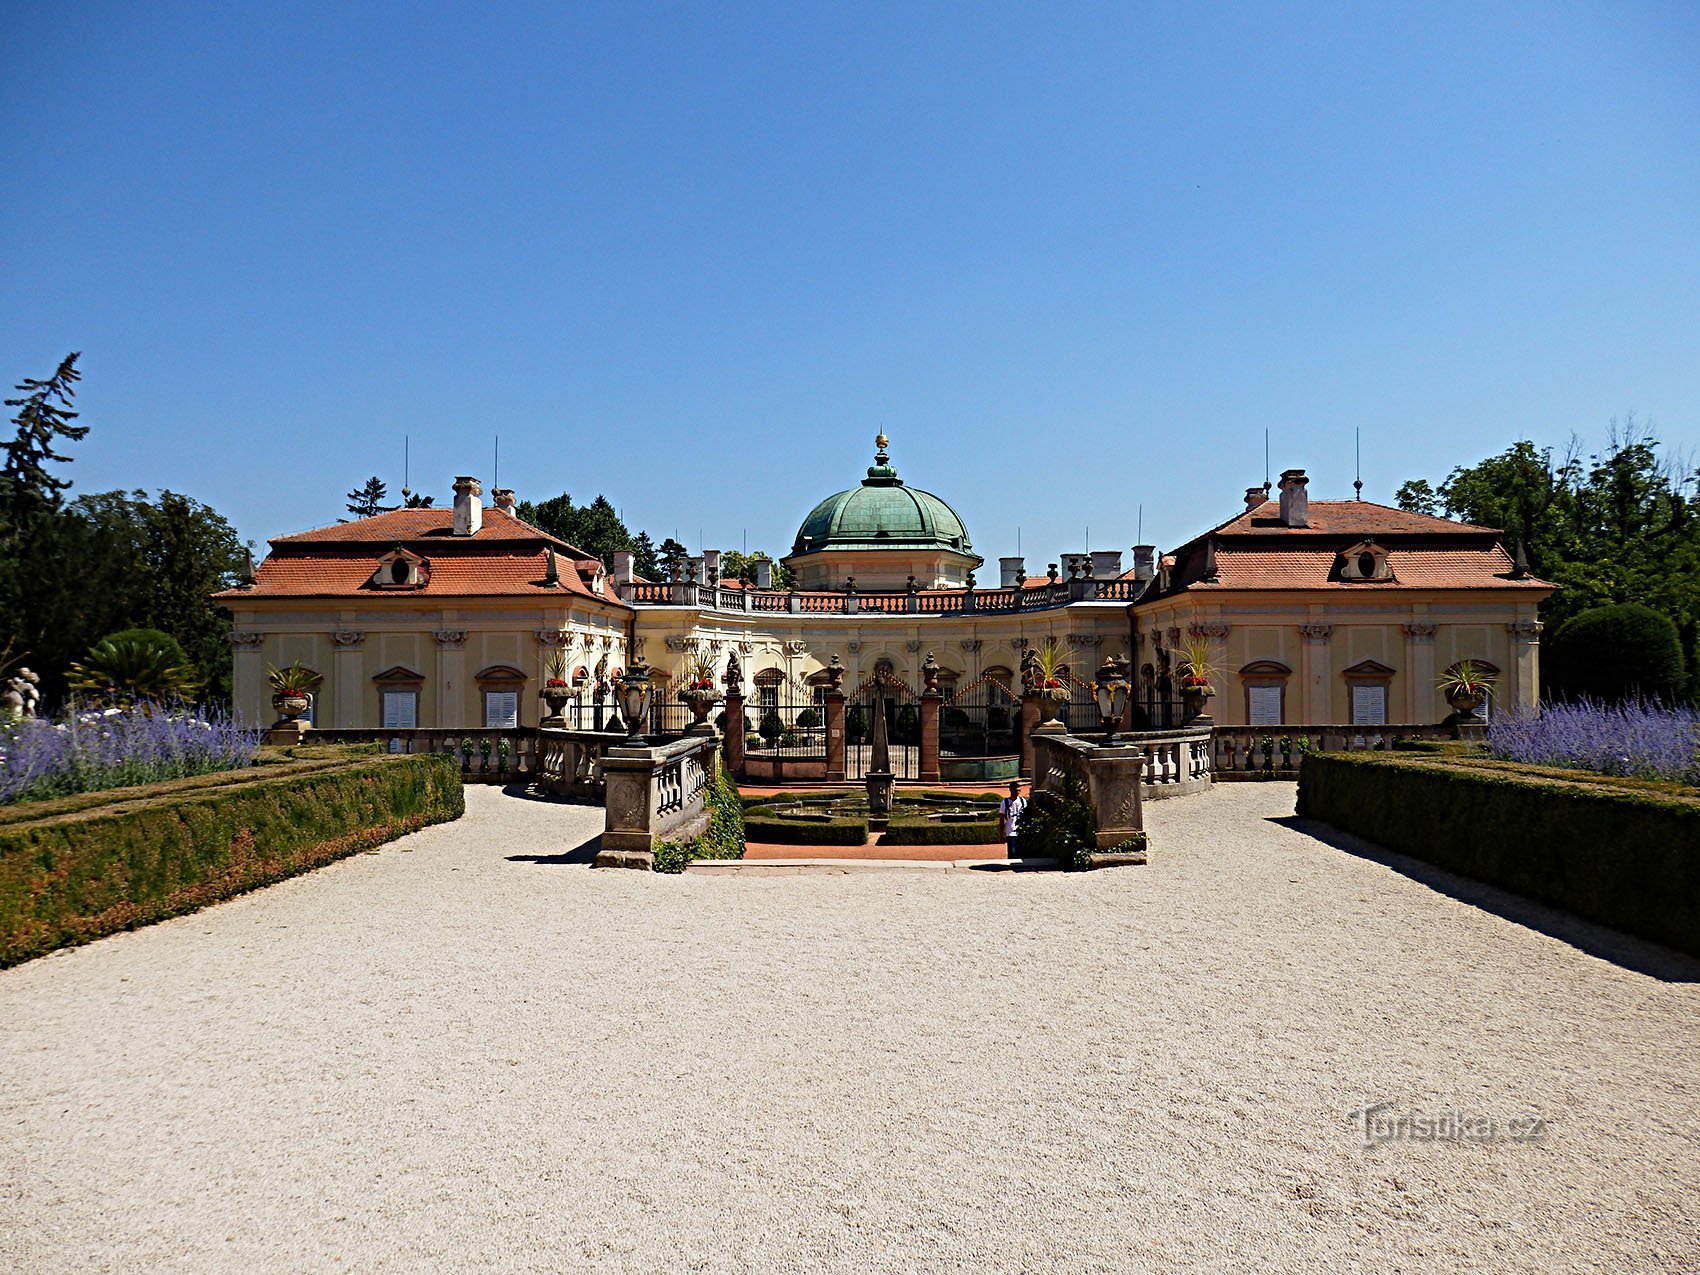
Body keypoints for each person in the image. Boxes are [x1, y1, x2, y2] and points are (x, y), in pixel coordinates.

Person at [998, 780, 1027, 857]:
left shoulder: (1023, 801)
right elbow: (1001, 819)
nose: (1017, 792)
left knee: (1022, 853)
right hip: (1010, 832)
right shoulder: (1005, 802)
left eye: (1019, 790)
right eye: (1016, 790)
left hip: (1021, 831)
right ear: (1011, 790)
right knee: (1012, 853)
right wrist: (1001, 834)